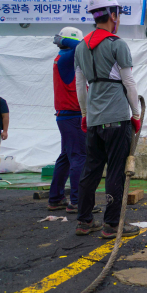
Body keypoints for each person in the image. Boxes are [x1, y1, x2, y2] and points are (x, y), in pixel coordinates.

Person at [73, 0, 142, 238]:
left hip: (94, 119)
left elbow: (80, 86)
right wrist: (135, 114)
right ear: (113, 15)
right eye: (118, 14)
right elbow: (130, 83)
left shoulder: (80, 47)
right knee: (115, 171)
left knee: (90, 171)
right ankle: (112, 225)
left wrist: (84, 113)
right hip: (117, 117)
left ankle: (84, 220)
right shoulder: (117, 44)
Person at [48, 28, 101, 214]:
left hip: (65, 115)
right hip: (72, 114)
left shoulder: (62, 57)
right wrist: (62, 39)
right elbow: (82, 47)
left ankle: (55, 198)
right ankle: (78, 201)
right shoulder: (68, 56)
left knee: (66, 157)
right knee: (79, 156)